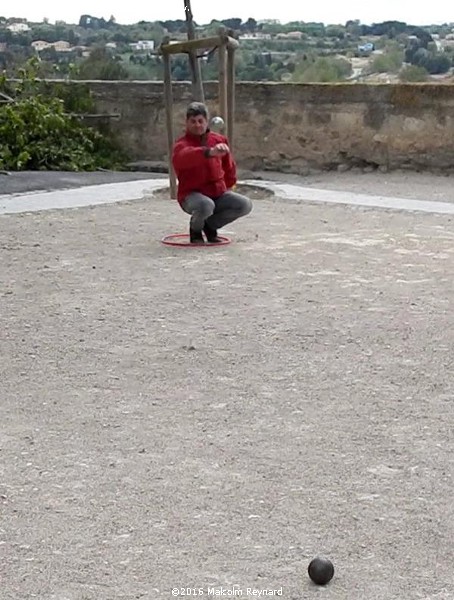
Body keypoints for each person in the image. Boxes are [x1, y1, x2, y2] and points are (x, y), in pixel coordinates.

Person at [172, 102, 252, 244]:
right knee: (205, 205)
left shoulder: (219, 140)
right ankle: (195, 231)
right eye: (193, 121)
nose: (197, 125)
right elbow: (183, 158)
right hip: (191, 195)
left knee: (244, 205)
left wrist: (228, 186)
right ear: (186, 123)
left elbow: (229, 167)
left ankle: (210, 225)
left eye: (200, 121)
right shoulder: (181, 144)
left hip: (217, 193)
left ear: (206, 121)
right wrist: (208, 152)